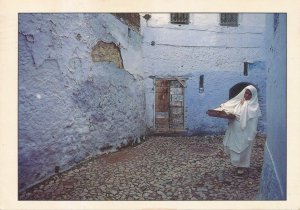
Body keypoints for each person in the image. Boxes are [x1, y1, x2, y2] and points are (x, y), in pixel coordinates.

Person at [215, 85, 261, 175]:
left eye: (249, 94)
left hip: (246, 131)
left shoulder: (255, 107)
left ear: (253, 95)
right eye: (246, 93)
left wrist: (251, 133)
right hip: (235, 129)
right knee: (234, 147)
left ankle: (242, 166)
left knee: (243, 148)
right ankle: (236, 164)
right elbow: (229, 106)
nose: (247, 95)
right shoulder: (240, 102)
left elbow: (253, 123)